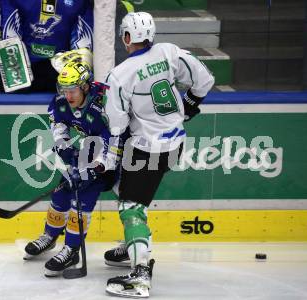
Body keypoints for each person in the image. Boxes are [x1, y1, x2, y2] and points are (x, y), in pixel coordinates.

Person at [103, 12, 215, 298]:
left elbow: (116, 125)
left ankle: (140, 273)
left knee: (130, 207)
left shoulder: (119, 74)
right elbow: (204, 79)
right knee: (127, 190)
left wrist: (111, 151)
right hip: (175, 144)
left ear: (127, 38)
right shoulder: (169, 52)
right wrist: (188, 104)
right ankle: (135, 243)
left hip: (146, 149)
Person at [23, 55, 122, 277]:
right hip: (90, 148)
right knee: (62, 192)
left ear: (85, 87)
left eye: (73, 90)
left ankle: (72, 249)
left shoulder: (105, 104)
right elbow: (58, 126)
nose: (67, 96)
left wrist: (100, 166)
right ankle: (50, 237)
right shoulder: (61, 101)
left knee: (83, 198)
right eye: (64, 89)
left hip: (122, 154)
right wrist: (67, 154)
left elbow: (115, 138)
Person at [0, 0, 94, 92]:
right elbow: (8, 39)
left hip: (61, 71)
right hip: (23, 71)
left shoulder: (80, 3)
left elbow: (83, 48)